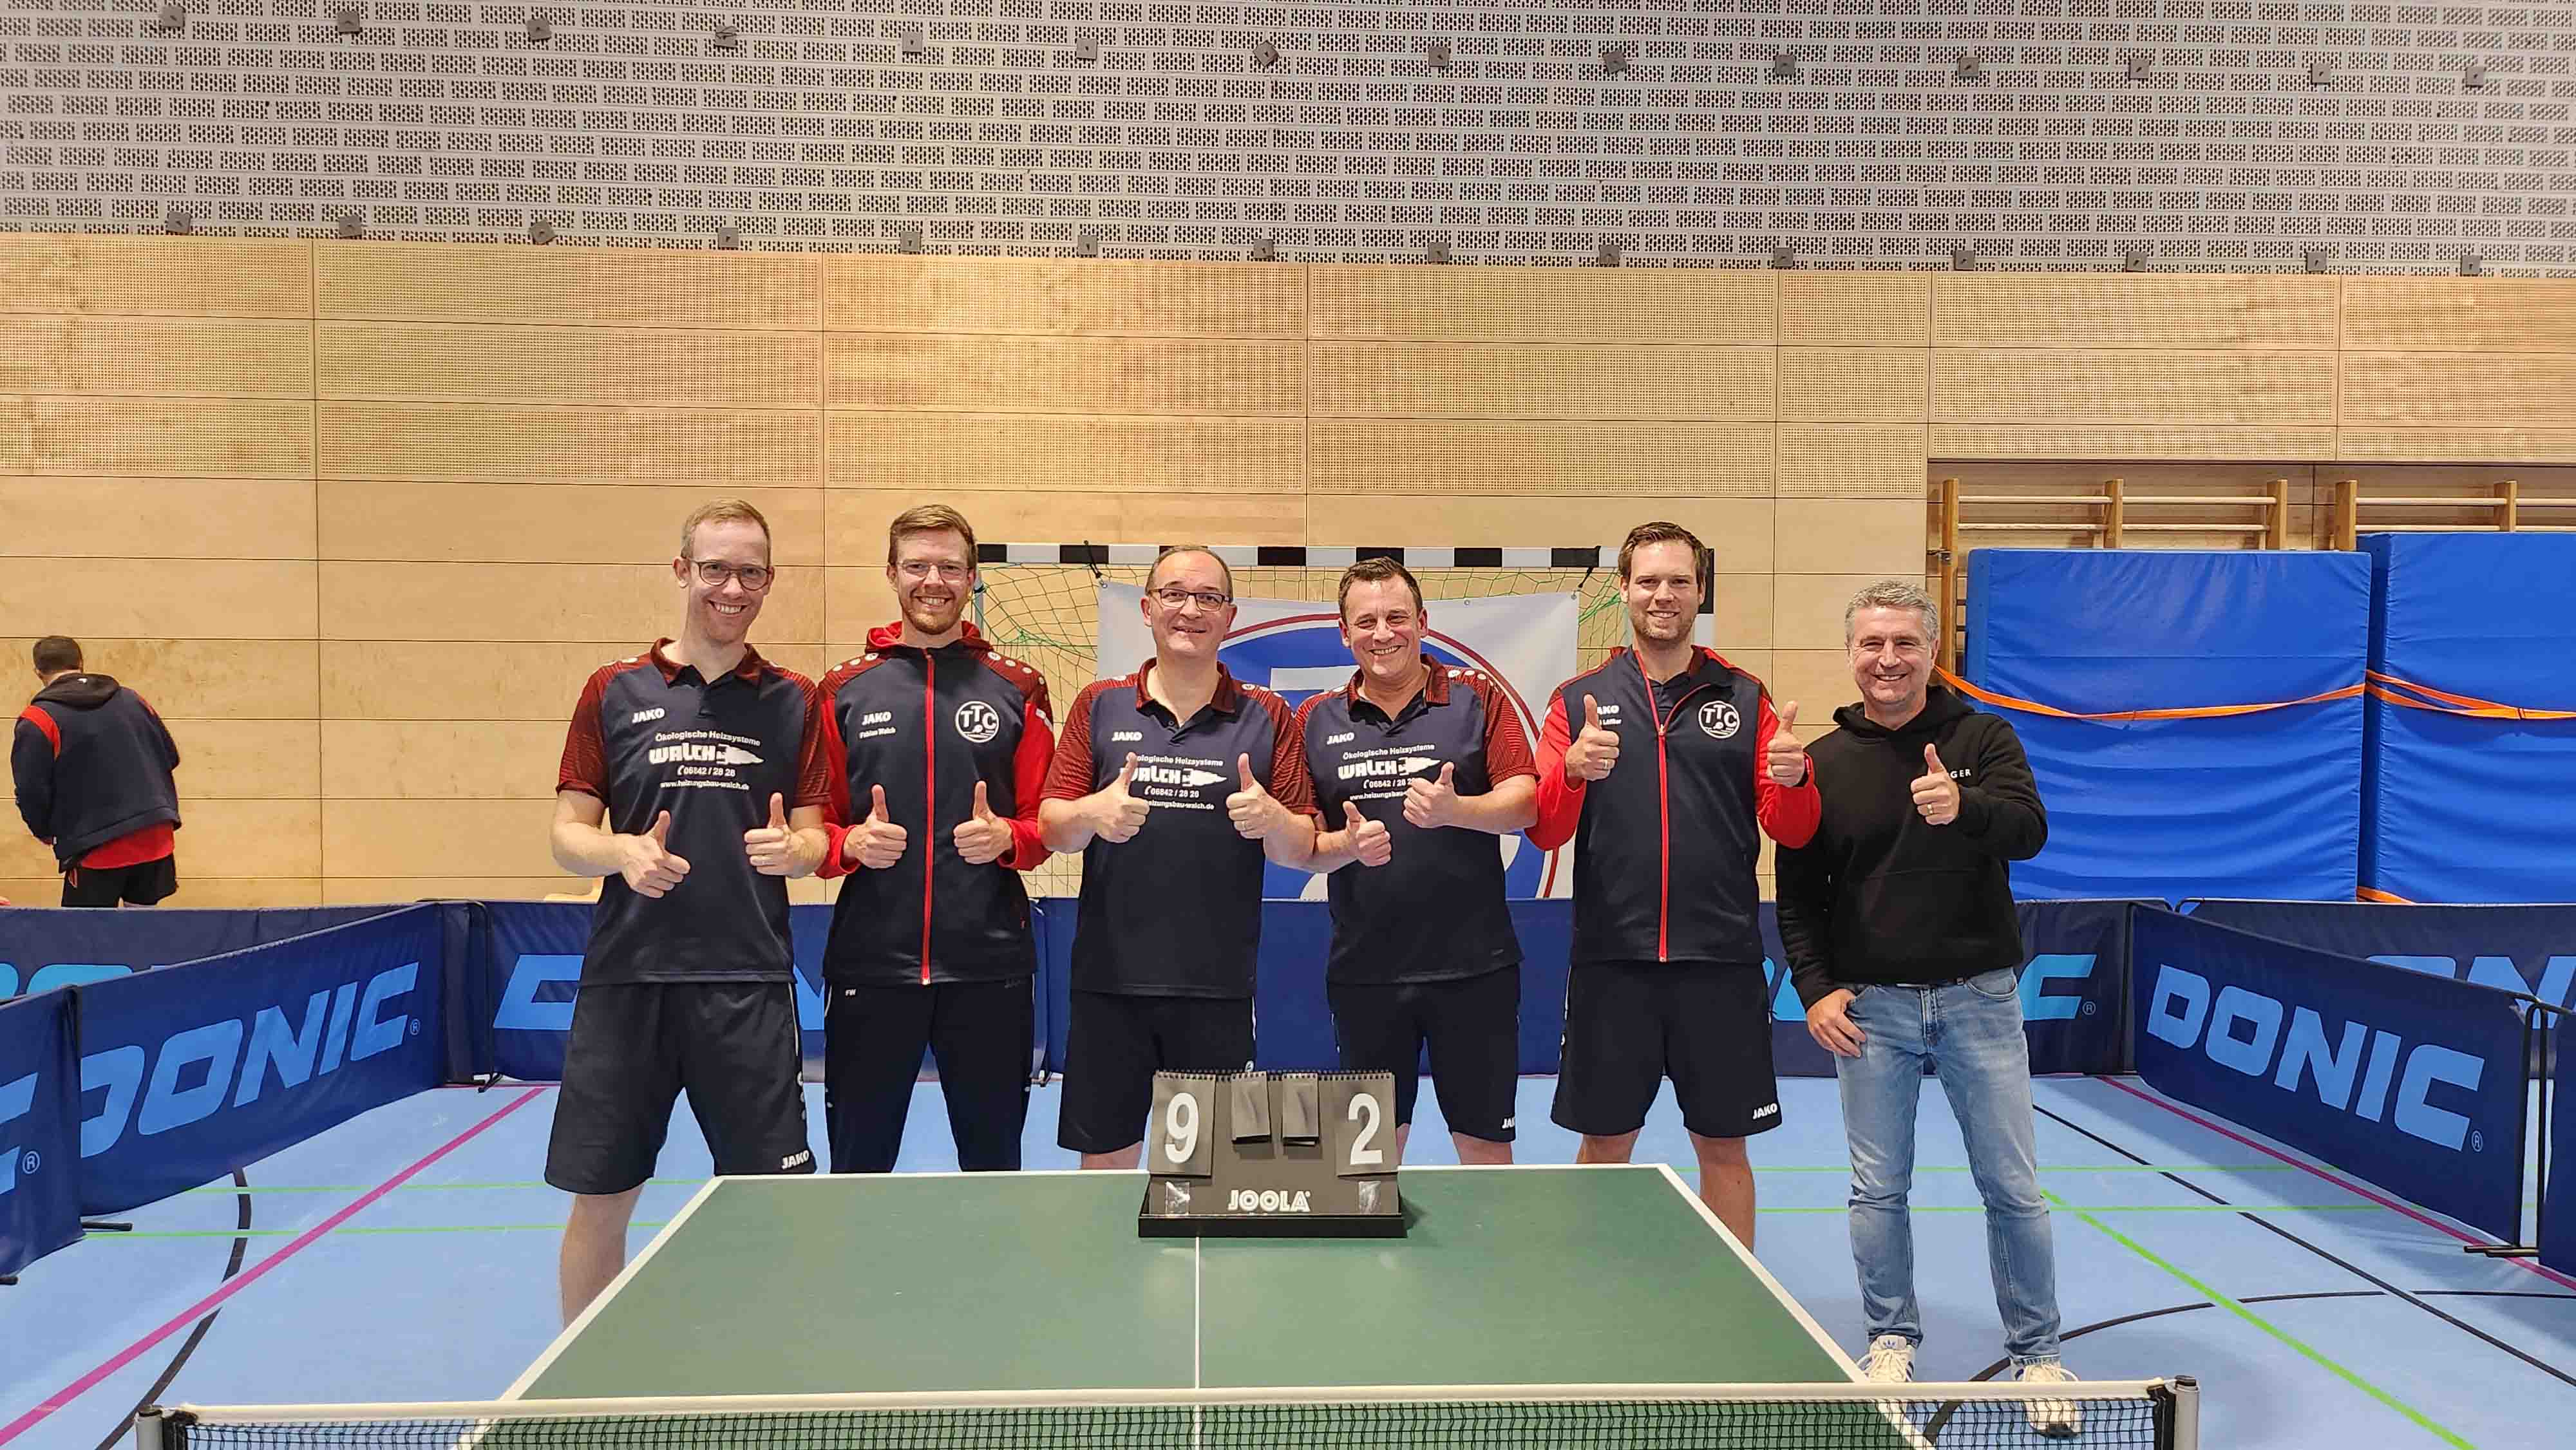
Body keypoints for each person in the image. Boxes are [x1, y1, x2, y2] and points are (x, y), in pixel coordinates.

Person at [1773, 578, 2076, 1430]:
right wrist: (1815, 988)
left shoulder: (1983, 737)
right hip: (1873, 1009)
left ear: (1933, 652)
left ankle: (2038, 1355)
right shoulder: (1823, 763)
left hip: (1980, 1000)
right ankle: (1890, 1339)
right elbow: (1798, 897)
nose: (1888, 659)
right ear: (1851, 654)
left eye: (1905, 642)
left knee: (2012, 1187)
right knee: (1877, 1190)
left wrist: (1965, 806)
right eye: (1872, 643)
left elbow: (2030, 830)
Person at [545, 499, 831, 1323]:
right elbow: (567, 834)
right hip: (628, 981)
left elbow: (815, 836)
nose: (731, 588)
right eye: (715, 569)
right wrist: (622, 852)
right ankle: (585, 1375)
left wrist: (796, 851)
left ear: (768, 582)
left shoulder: (794, 698)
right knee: (603, 1196)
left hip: (748, 982)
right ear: (682, 571)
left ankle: (756, 1372)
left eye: (749, 572)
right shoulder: (613, 689)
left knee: (769, 1202)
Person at [1528, 522, 1819, 1248]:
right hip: (1612, 962)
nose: (1664, 594)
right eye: (1649, 580)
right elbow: (1545, 831)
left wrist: (1796, 778)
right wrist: (1572, 773)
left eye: (1679, 581)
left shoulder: (1745, 697)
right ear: (1624, 589)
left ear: (1700, 591)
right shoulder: (1578, 700)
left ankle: (1737, 1299)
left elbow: (1792, 829)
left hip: (1720, 963)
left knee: (1724, 1147)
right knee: (1604, 1144)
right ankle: (1591, 1292)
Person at [1038, 545, 1316, 1169]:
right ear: (1147, 608)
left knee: (1209, 1177)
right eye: (1175, 594)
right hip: (1109, 984)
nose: (1191, 609)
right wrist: (1092, 813)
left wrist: (1274, 820)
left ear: (1230, 615)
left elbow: (1302, 846)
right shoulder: (1099, 703)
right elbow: (1052, 828)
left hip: (1218, 987)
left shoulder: (1268, 714)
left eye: (1209, 598)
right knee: (1104, 1171)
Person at [811, 505, 1055, 1172]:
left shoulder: (1018, 686)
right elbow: (816, 826)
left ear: (972, 578)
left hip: (990, 967)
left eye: (949, 567)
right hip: (870, 965)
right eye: (917, 565)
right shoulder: (843, 689)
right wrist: (848, 845)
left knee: (994, 1165)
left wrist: (1007, 836)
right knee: (857, 1170)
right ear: (891, 573)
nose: (933, 581)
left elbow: (1046, 822)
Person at [1295, 557, 1537, 1163]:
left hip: (1475, 971)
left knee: (1485, 1150)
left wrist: (1458, 810)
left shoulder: (1478, 697)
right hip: (1365, 974)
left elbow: (1526, 802)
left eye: (1397, 618)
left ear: (1423, 623)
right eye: (1367, 621)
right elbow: (1303, 847)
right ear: (1344, 632)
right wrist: (1346, 847)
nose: (1383, 634)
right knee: (1368, 1157)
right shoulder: (1314, 718)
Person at [12, 637, 183, 908]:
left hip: (96, 848)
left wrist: (44, 831)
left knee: (86, 931)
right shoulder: (133, 699)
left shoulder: (38, 719)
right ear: (80, 663)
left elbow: (31, 792)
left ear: (38, 671)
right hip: (155, 835)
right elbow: (170, 757)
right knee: (143, 927)